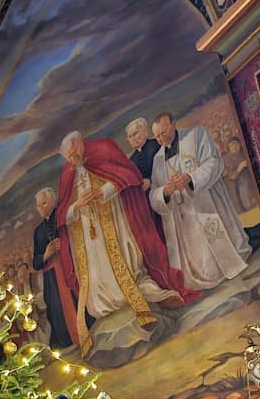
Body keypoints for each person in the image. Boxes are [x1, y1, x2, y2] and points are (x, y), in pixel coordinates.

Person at [56, 129, 192, 353]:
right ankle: (107, 305)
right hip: (89, 237)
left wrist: (104, 191)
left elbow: (128, 176)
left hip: (115, 220)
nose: (73, 159)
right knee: (97, 269)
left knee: (125, 260)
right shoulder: (67, 174)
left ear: (81, 143)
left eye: (74, 152)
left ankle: (140, 293)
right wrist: (76, 206)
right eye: (68, 157)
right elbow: (63, 214)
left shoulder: (103, 148)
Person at [149, 111, 250, 290]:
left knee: (218, 241)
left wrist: (191, 178)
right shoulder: (158, 159)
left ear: (173, 124)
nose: (160, 139)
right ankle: (205, 276)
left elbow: (214, 162)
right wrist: (165, 191)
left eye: (163, 132)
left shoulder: (196, 135)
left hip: (205, 203)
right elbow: (154, 193)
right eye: (156, 136)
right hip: (184, 218)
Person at [30, 186, 77, 349]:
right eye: (39, 206)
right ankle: (66, 342)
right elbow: (35, 262)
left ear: (52, 202)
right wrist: (46, 254)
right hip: (52, 278)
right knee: (56, 309)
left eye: (44, 203)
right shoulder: (38, 231)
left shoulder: (63, 216)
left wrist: (65, 244)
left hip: (71, 267)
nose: (41, 208)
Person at [125, 117, 161, 190]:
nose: (133, 138)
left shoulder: (157, 144)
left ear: (145, 132)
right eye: (130, 136)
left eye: (135, 134)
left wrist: (150, 182)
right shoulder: (131, 161)